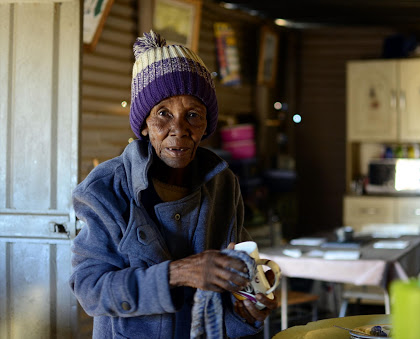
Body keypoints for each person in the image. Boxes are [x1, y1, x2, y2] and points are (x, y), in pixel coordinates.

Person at [69, 31, 277, 339]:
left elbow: (229, 287)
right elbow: (90, 290)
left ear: (206, 126)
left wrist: (248, 308)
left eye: (193, 115)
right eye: (163, 114)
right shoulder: (106, 188)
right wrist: (178, 273)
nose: (178, 130)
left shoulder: (223, 184)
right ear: (143, 124)